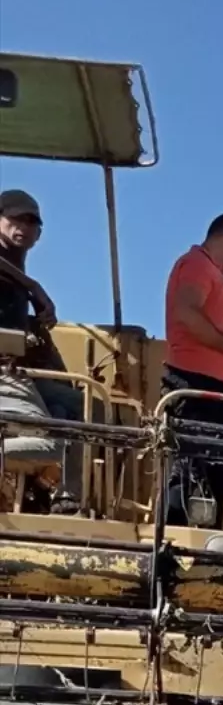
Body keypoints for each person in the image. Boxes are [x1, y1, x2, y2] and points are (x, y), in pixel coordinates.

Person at [163, 212, 223, 527]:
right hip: (193, 385)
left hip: (209, 388)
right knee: (190, 469)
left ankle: (206, 540)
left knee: (214, 471)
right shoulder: (197, 265)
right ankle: (177, 545)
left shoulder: (207, 270)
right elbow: (186, 313)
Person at [0, 188, 83, 512]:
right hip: (4, 373)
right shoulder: (16, 275)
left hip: (18, 369)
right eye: (15, 217)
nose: (24, 226)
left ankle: (66, 496)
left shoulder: (14, 269)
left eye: (32, 221)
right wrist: (32, 286)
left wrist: (37, 329)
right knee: (49, 446)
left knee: (85, 405)